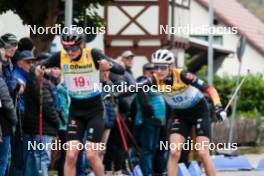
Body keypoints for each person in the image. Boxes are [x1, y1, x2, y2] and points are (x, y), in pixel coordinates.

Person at [34, 29, 124, 176]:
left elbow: (120, 69)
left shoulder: (93, 54)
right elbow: (41, 64)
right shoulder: (61, 56)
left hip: (94, 111)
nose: (70, 52)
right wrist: (39, 69)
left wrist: (108, 66)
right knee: (70, 155)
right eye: (66, 48)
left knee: (91, 155)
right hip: (76, 112)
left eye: (73, 48)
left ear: (81, 44)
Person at [150, 49, 226, 176]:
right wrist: (113, 93)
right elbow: (133, 88)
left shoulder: (183, 75)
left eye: (162, 67)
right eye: (155, 67)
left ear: (171, 66)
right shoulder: (154, 80)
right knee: (174, 152)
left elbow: (210, 89)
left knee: (202, 153)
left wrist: (218, 106)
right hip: (180, 114)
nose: (158, 71)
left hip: (199, 112)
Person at [130, 63, 168, 176]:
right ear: (144, 71)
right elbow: (144, 103)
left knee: (160, 147)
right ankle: (146, 173)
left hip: (160, 122)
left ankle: (159, 171)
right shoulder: (142, 83)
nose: (152, 72)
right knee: (147, 150)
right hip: (146, 122)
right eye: (149, 70)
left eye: (153, 70)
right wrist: (152, 116)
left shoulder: (157, 83)